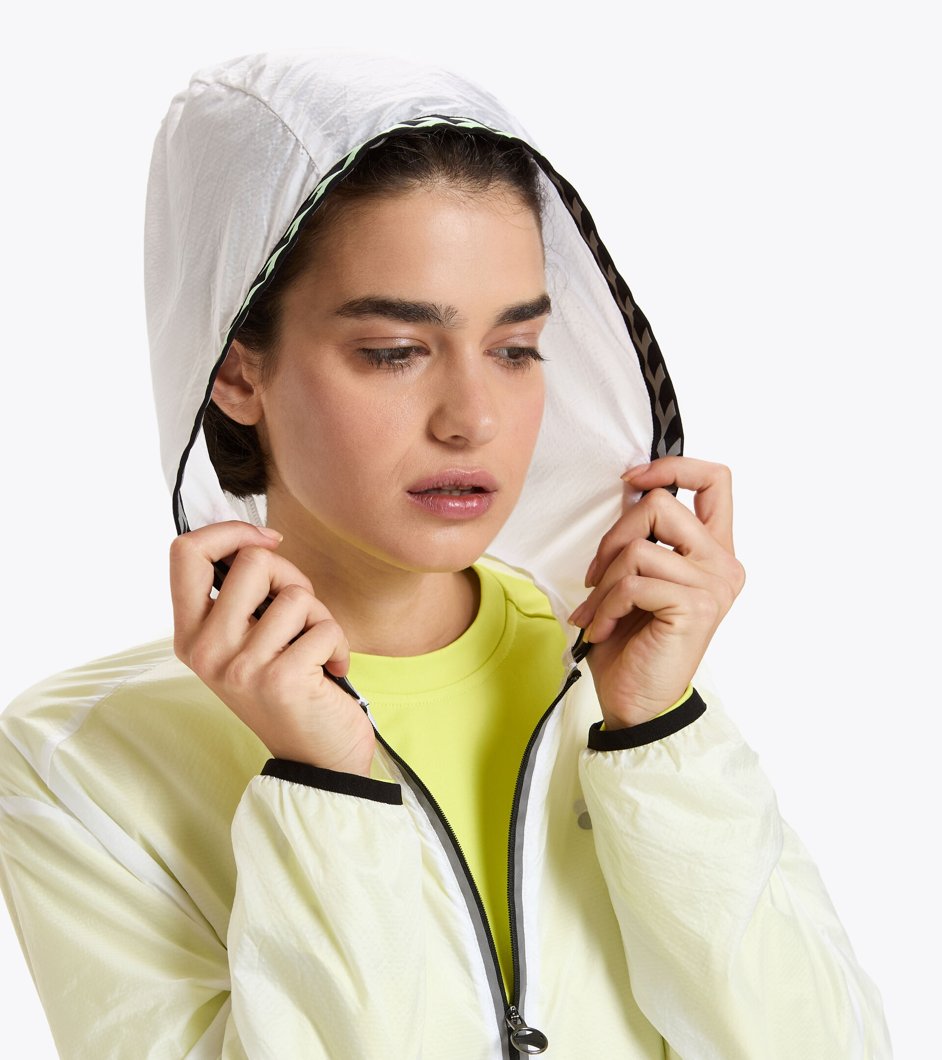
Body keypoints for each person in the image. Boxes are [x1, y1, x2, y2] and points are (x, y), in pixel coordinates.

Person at [0, 50, 890, 1058]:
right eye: (395, 351)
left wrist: (659, 732)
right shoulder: (78, 760)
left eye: (515, 350)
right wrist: (327, 784)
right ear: (238, 370)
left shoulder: (610, 671)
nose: (474, 419)